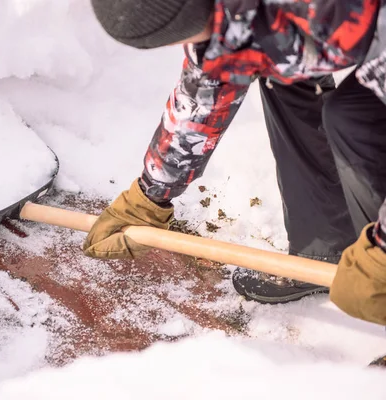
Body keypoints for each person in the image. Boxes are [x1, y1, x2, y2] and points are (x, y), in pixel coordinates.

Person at [83, 0, 386, 331]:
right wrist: (150, 196)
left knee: (356, 121)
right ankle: (324, 248)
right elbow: (212, 78)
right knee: (281, 71)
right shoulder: (234, 15)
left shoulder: (326, 8)